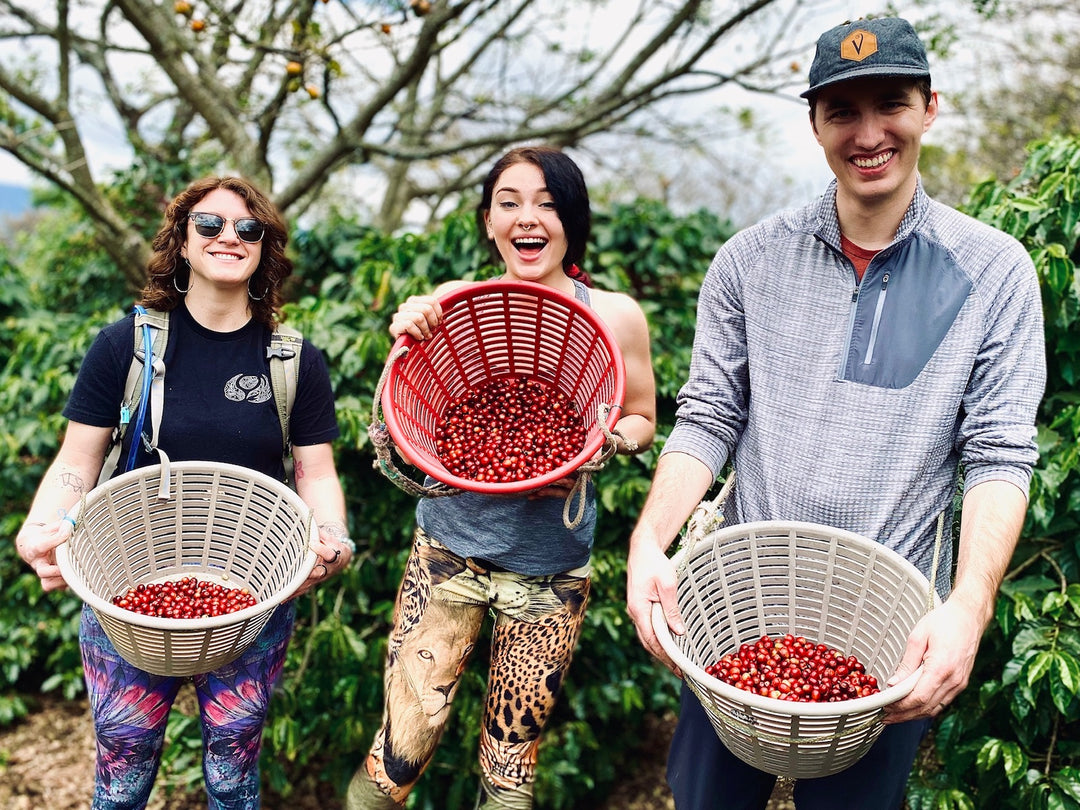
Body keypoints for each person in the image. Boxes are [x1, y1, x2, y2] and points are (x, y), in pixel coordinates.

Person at [625, 16, 1045, 810]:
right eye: (842, 111)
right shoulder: (750, 261)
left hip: (887, 631)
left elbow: (997, 454)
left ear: (930, 108)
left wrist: (969, 607)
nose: (869, 132)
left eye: (890, 102)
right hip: (741, 611)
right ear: (815, 123)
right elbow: (709, 414)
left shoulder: (995, 272)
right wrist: (651, 539)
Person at [13, 175, 353, 810]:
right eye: (210, 225)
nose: (230, 237)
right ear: (183, 245)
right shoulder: (126, 346)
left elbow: (315, 473)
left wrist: (332, 541)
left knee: (232, 775)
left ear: (265, 249)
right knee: (124, 769)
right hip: (129, 597)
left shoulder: (294, 360)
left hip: (251, 596)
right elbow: (78, 460)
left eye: (248, 229)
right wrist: (42, 527)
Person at [346, 145, 657, 809]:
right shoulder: (455, 305)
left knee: (510, 769)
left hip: (551, 569)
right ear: (488, 222)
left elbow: (641, 418)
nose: (529, 217)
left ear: (573, 220)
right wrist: (409, 322)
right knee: (400, 748)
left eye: (548, 203)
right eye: (509, 202)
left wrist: (601, 446)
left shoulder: (615, 315)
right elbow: (411, 391)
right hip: (447, 552)